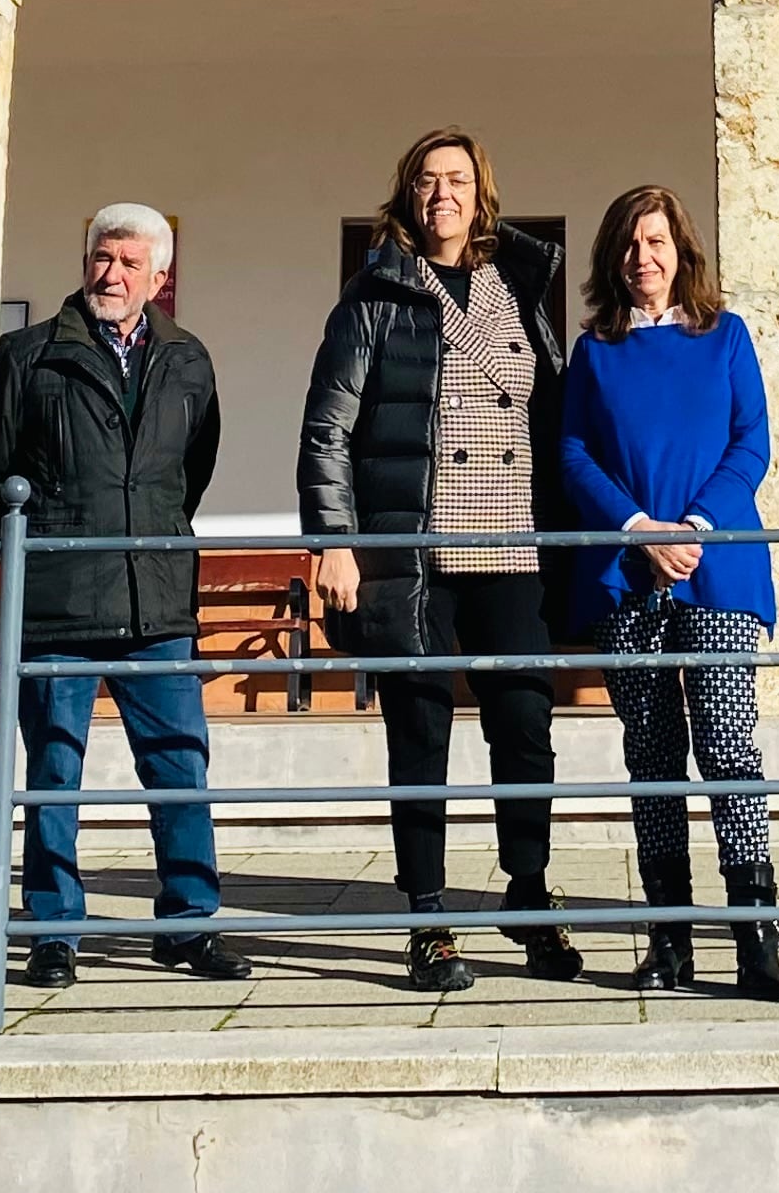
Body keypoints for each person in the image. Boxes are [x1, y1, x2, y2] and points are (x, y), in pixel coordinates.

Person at [299, 127, 586, 993]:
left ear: (480, 192)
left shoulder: (522, 287)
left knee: (526, 731)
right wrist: (336, 542)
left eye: (456, 179)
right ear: (408, 195)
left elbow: (552, 413)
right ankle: (428, 918)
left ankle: (528, 892)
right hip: (416, 550)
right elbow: (327, 429)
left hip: (514, 543)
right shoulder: (376, 294)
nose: (441, 194)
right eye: (426, 181)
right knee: (419, 734)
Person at [0, 201, 250, 993]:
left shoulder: (190, 359)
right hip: (59, 602)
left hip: (155, 599)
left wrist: (147, 529)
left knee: (180, 767)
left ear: (161, 275)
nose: (110, 275)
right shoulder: (29, 355)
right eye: (100, 258)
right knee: (54, 774)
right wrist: (47, 536)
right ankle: (53, 931)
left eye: (128, 262)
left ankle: (189, 923)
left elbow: (190, 470)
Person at [559, 183, 779, 999]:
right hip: (630, 574)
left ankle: (757, 934)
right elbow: (576, 451)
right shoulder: (596, 351)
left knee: (727, 742)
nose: (642, 258)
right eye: (628, 245)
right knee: (652, 754)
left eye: (655, 242)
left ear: (681, 251)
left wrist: (692, 527)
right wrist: (637, 528)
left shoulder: (725, 339)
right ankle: (669, 939)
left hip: (717, 569)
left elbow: (750, 443)